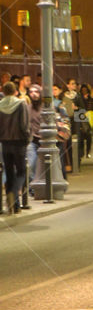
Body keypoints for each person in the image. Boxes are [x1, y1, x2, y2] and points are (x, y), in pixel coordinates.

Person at [0, 80, 30, 213]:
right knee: (21, 171)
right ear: (15, 91)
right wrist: (27, 138)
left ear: (3, 91)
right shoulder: (21, 104)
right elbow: (24, 125)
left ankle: (14, 206)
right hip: (19, 143)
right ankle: (13, 193)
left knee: (9, 172)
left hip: (5, 143)